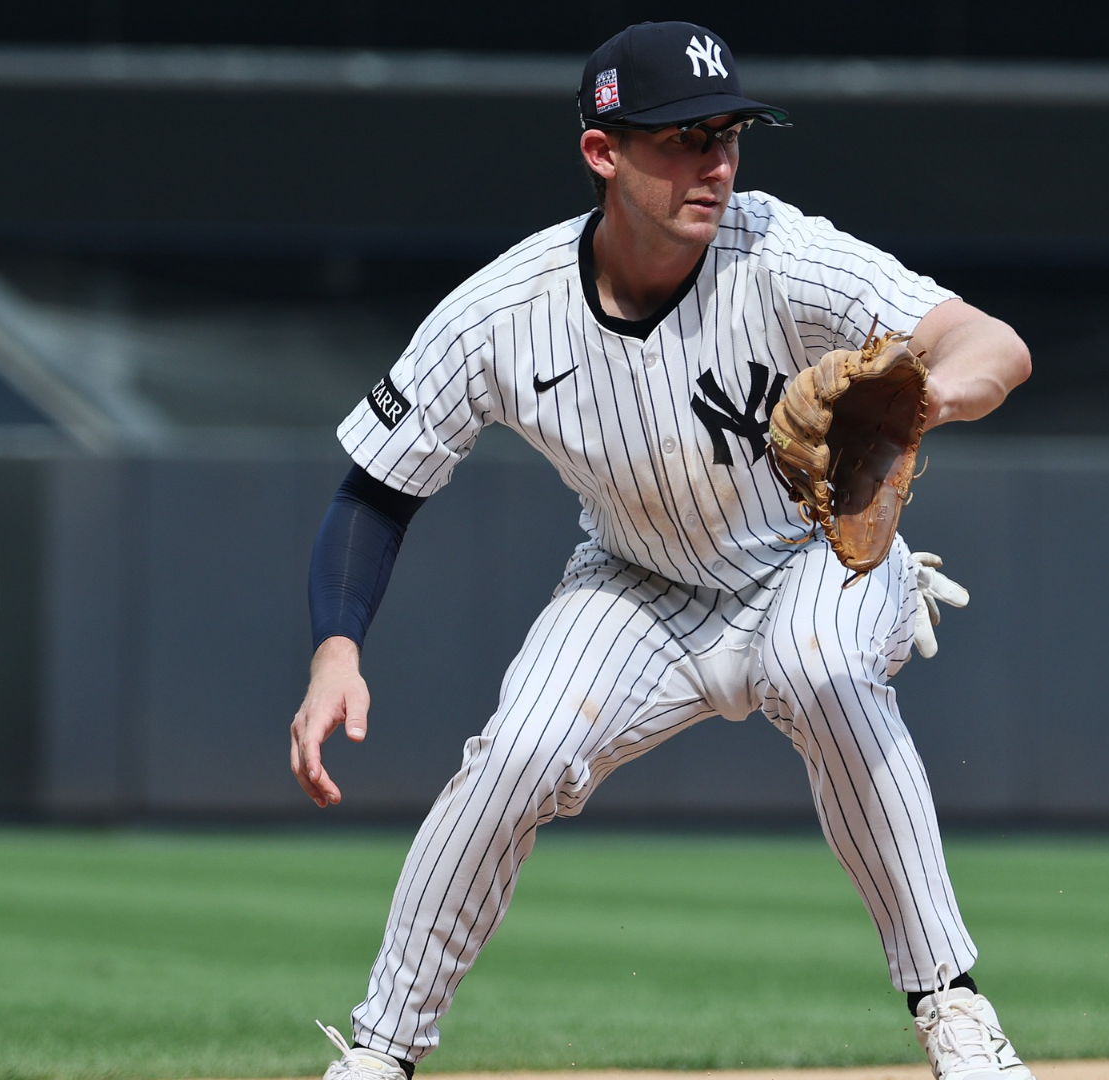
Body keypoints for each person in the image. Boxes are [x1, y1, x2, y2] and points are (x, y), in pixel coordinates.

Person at [291, 21, 1034, 1080]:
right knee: (517, 759)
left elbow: (994, 344)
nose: (716, 162)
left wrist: (926, 394)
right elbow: (375, 489)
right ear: (604, 153)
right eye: (684, 137)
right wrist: (335, 649)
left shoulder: (782, 250)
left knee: (816, 667)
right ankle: (382, 1054)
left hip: (810, 555)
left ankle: (952, 1009)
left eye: (728, 133)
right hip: (636, 582)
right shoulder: (505, 310)